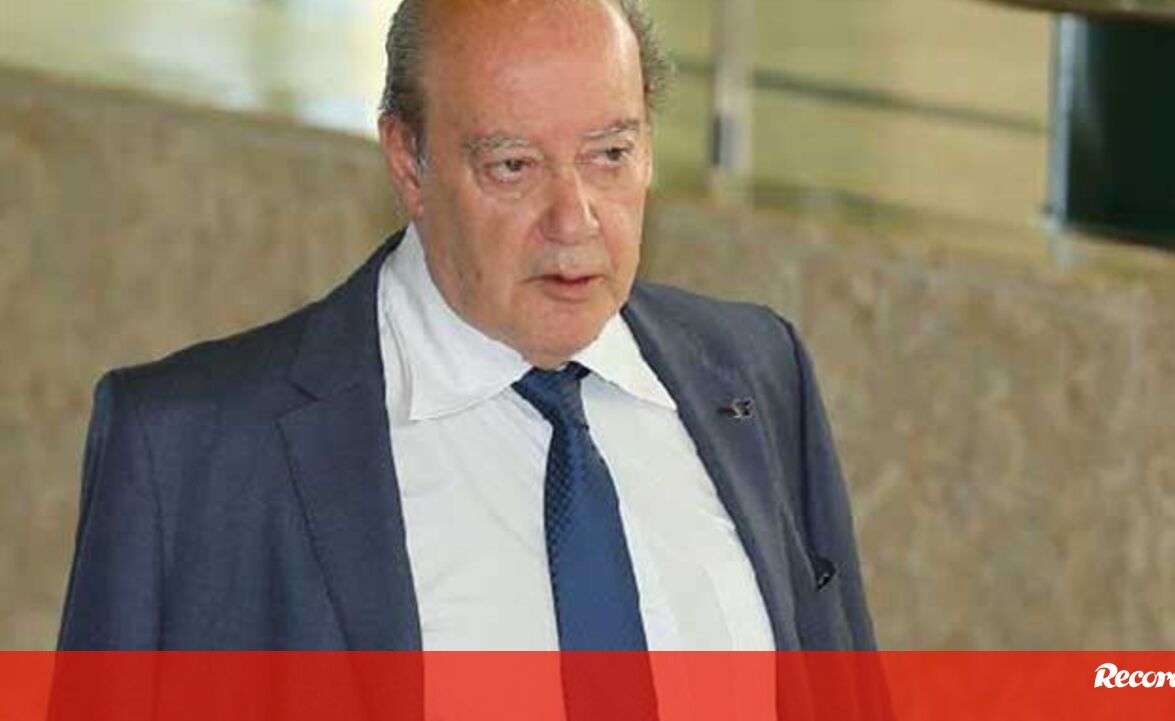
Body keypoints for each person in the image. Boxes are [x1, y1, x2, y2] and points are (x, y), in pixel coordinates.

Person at [57, 0, 874, 657]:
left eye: (610, 155)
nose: (574, 219)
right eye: (513, 166)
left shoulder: (758, 374)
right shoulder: (190, 454)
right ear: (407, 164)